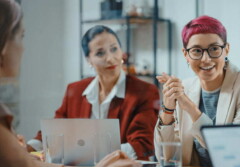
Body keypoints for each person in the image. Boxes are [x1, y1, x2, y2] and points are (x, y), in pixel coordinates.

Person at [0, 0, 141, 167]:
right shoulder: (75, 89)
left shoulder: (141, 90)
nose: (24, 48)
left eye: (114, 49)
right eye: (21, 37)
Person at [27, 25, 160, 160]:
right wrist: (28, 147)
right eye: (100, 53)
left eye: (114, 49)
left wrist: (86, 151)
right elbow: (54, 131)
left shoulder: (145, 92)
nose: (110, 58)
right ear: (88, 60)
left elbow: (143, 145)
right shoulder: (75, 90)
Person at [154, 15, 240, 167]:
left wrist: (190, 108)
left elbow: (236, 150)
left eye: (214, 49)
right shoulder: (184, 88)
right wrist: (168, 109)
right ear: (186, 54)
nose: (206, 59)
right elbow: (166, 158)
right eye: (196, 51)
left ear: (226, 49)